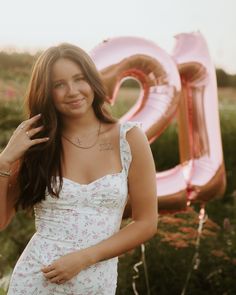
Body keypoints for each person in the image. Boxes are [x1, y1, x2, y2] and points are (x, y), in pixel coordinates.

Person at [0, 43, 158, 294]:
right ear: (46, 92)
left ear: (92, 81)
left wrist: (85, 257)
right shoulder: (37, 144)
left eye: (79, 79)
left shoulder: (129, 139)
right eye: (58, 84)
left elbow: (146, 223)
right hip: (35, 282)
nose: (72, 91)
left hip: (97, 284)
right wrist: (4, 161)